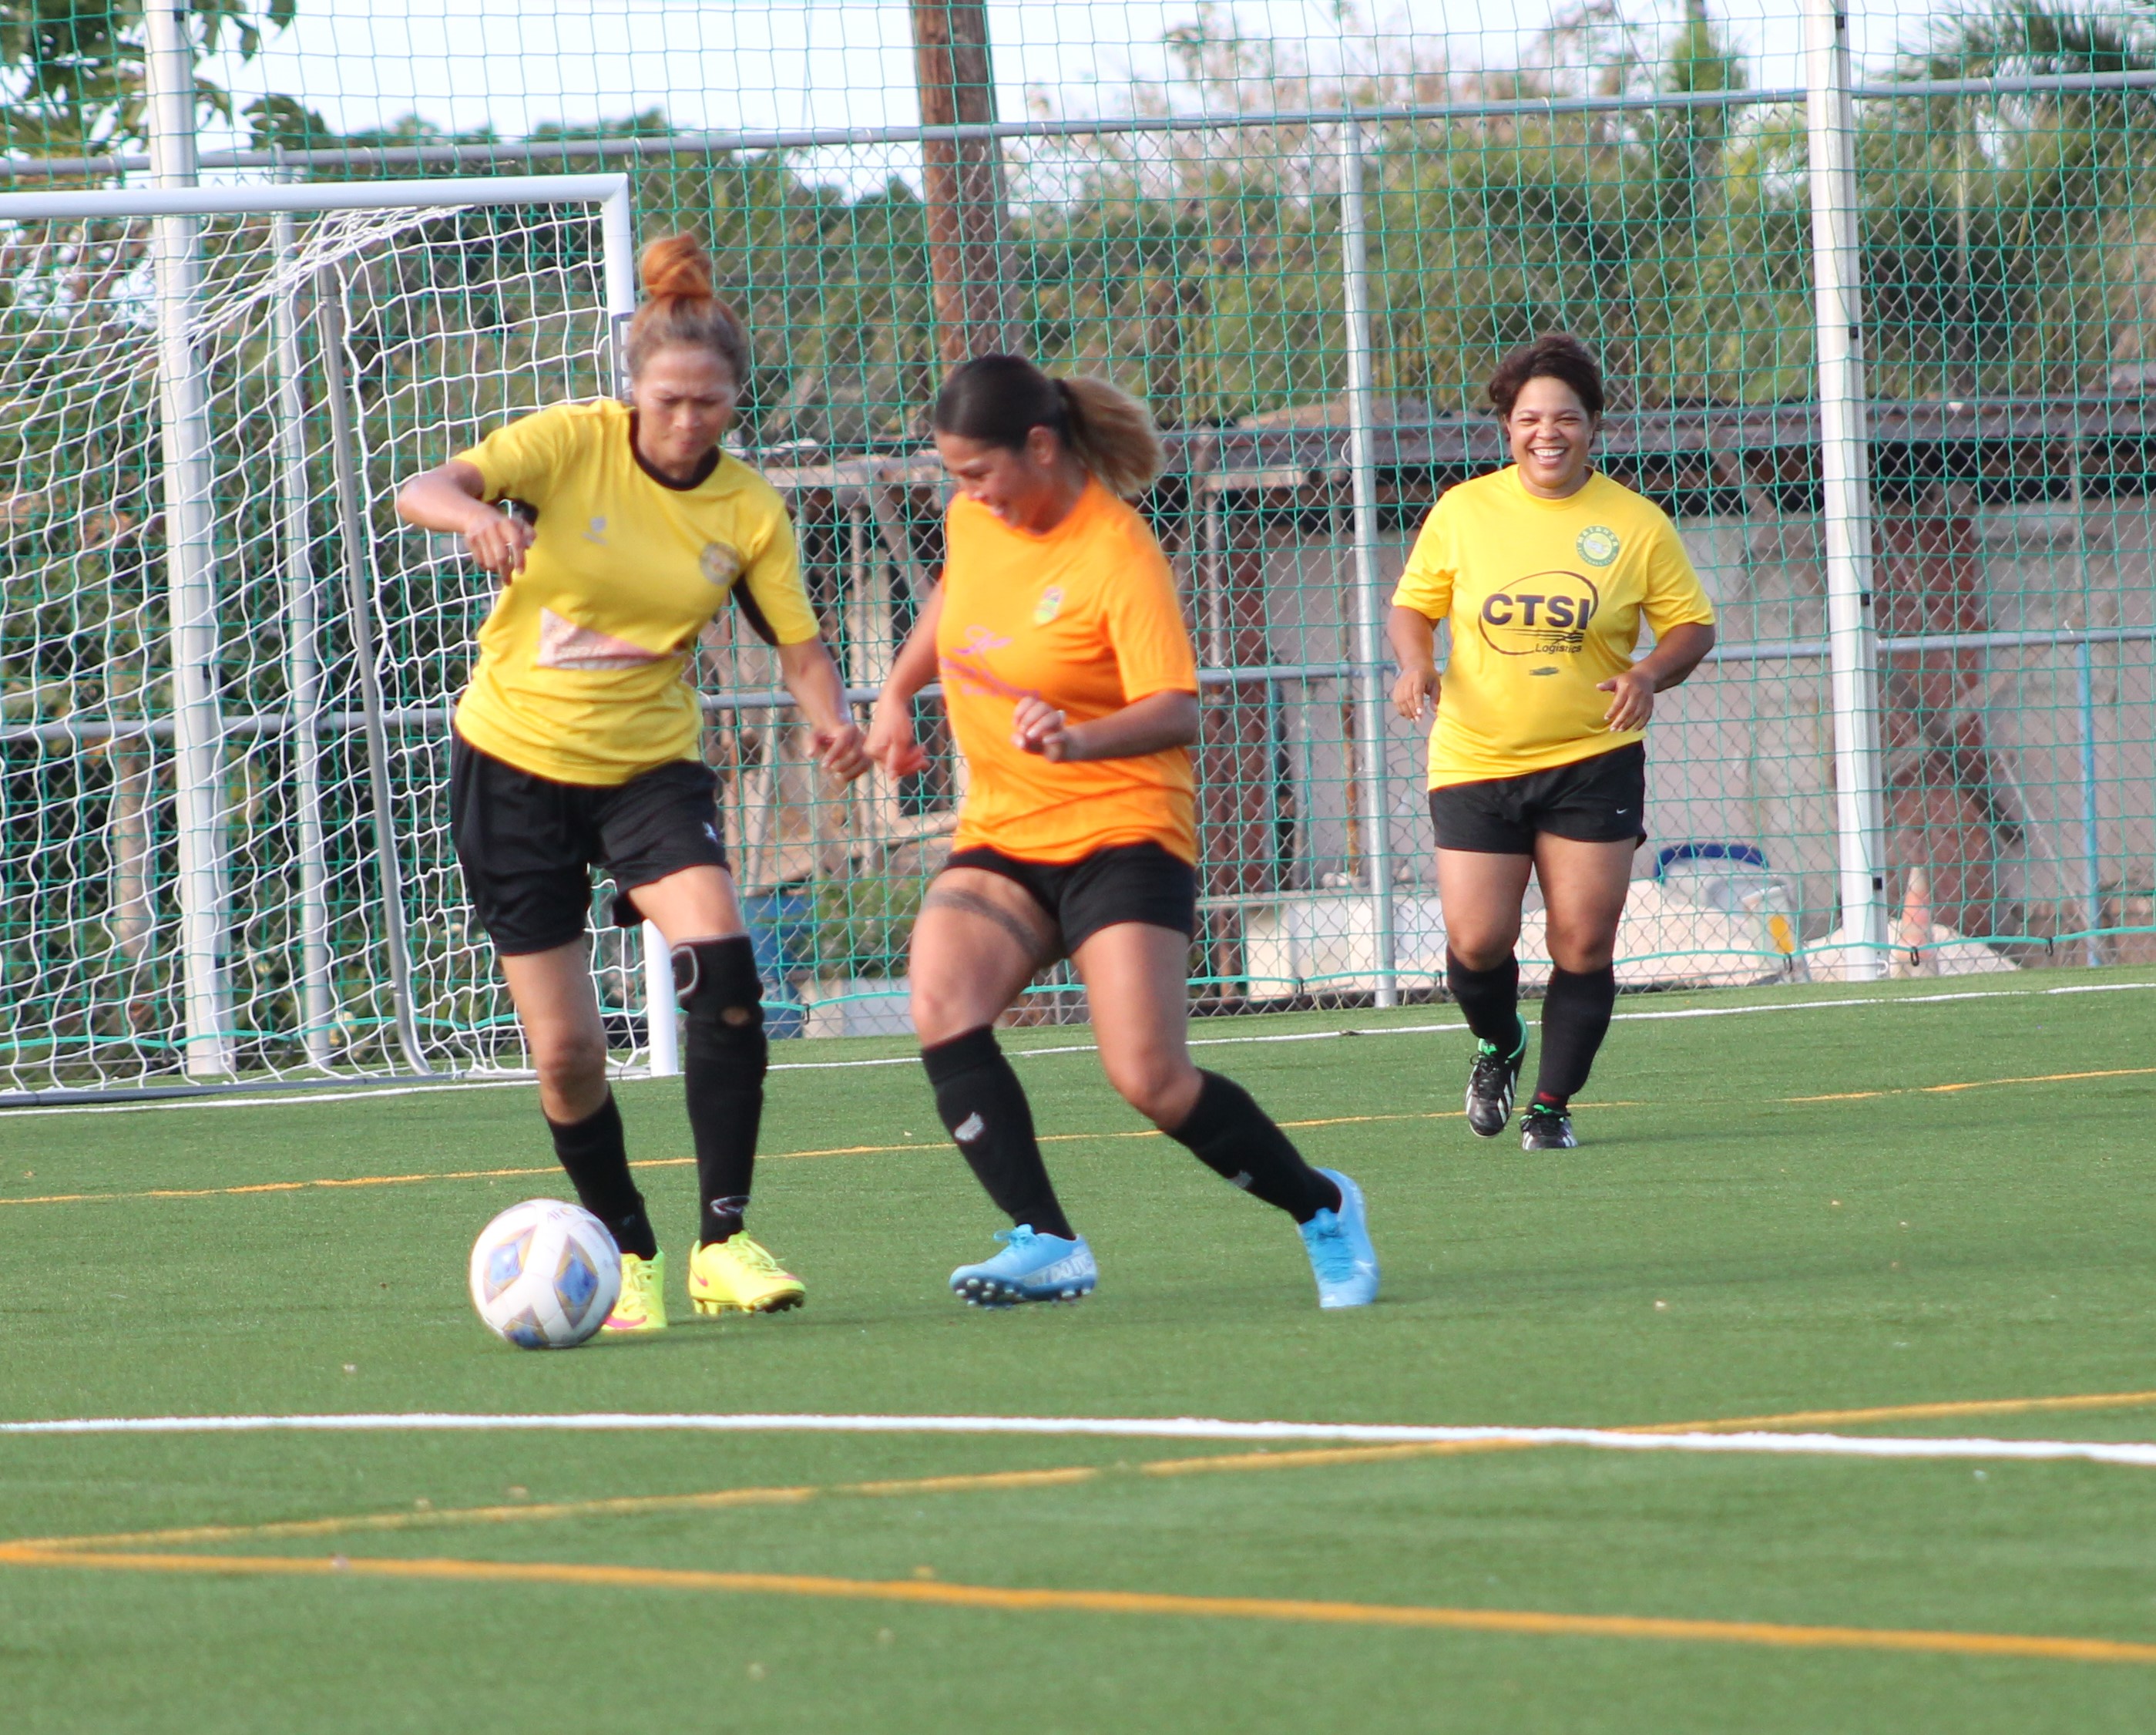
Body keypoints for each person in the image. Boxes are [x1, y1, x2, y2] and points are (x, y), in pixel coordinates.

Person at [396, 235, 868, 1334]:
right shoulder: (568, 444)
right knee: (566, 1054)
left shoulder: (748, 509)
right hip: (511, 764)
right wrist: (475, 516)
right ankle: (630, 1249)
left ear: (735, 402)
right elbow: (427, 484)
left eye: (711, 403)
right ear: (634, 392)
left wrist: (834, 721)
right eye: (670, 399)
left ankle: (723, 1239)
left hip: (648, 770)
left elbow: (797, 647)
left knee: (724, 962)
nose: (690, 420)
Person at [866, 354, 1379, 1310]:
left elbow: (1178, 709)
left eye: (977, 472)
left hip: (1122, 828)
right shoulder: (976, 516)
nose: (965, 493)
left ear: (1040, 445)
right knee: (941, 999)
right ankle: (1046, 1240)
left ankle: (1321, 1208)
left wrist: (1077, 738)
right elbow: (950, 598)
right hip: (1006, 829)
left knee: (1148, 1075)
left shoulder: (1115, 552)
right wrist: (897, 693)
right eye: (953, 478)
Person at [1387, 334, 1717, 1151]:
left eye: (1564, 417)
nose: (1547, 432)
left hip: (1589, 759)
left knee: (1580, 938)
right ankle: (1498, 1044)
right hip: (1476, 757)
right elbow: (1411, 605)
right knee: (1473, 941)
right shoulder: (1464, 510)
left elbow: (1690, 627)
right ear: (1506, 426)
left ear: (1592, 425)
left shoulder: (1633, 523)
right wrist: (1415, 664)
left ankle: (1549, 1107)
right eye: (1528, 417)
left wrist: (1647, 673)